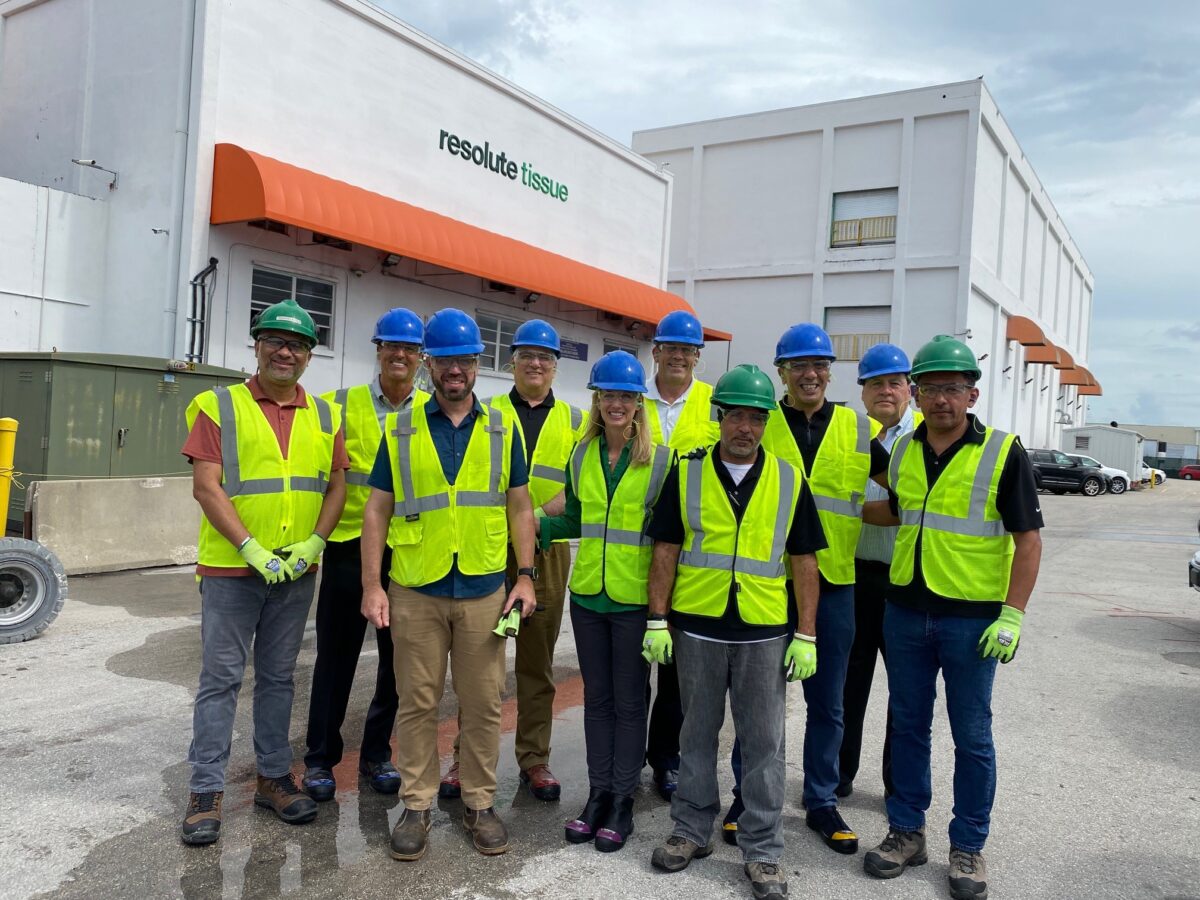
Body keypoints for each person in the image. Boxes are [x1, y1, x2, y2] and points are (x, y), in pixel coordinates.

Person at [860, 335, 1042, 900]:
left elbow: (1029, 541)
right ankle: (907, 832)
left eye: (953, 389)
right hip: (907, 612)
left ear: (972, 394)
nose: (941, 399)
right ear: (917, 393)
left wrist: (1011, 615)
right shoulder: (907, 450)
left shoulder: (1004, 452)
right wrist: (823, 515)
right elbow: (898, 512)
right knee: (908, 726)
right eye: (932, 388)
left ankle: (967, 845)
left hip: (972, 622)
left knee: (972, 736)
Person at [359, 308, 538, 861]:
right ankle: (416, 805)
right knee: (416, 701)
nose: (454, 370)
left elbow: (519, 506)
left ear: (478, 366)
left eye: (464, 360)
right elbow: (376, 511)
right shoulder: (402, 427)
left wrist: (525, 577)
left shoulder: (503, 428)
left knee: (484, 702)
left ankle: (480, 803)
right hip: (415, 586)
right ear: (428, 365)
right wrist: (373, 585)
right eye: (444, 360)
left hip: (484, 587)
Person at [644, 365, 826, 900]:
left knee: (765, 744)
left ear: (767, 421)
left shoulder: (789, 479)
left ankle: (764, 851)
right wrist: (658, 619)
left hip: (764, 631)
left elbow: (804, 561)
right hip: (697, 627)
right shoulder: (689, 471)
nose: (745, 427)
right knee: (695, 734)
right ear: (719, 418)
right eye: (736, 416)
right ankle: (690, 830)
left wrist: (807, 634)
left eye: (755, 417)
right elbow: (666, 550)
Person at [179, 298, 349, 846]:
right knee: (221, 681)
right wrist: (250, 547)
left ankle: (274, 778)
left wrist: (315, 542)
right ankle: (206, 791)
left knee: (278, 678)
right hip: (233, 570)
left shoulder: (326, 415)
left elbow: (336, 485)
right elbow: (207, 484)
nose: (285, 351)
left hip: (296, 572)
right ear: (256, 345)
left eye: (297, 344)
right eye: (275, 340)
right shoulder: (217, 405)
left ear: (308, 356)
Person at [723, 323, 889, 854]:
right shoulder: (761, 420)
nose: (810, 374)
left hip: (836, 584)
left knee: (830, 703)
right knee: (756, 704)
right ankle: (747, 797)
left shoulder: (858, 428)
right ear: (782, 373)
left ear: (830, 372)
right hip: (769, 585)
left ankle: (820, 800)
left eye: (819, 365)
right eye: (798, 366)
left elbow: (912, 491)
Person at [439, 319, 583, 802]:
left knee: (537, 665)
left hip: (546, 551)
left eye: (544, 356)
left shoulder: (577, 422)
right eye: (526, 355)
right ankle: (465, 760)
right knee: (478, 665)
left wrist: (533, 518)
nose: (535, 363)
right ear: (511, 362)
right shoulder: (485, 411)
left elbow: (577, 492)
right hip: (484, 550)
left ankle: (534, 760)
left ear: (556, 366)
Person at [538, 350, 672, 852]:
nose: (616, 404)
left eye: (626, 396)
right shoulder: (581, 455)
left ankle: (622, 799)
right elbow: (575, 519)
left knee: (630, 701)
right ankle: (596, 796)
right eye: (608, 395)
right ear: (597, 401)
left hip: (635, 600)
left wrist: (662, 611)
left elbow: (667, 538)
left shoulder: (661, 460)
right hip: (590, 597)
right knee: (597, 701)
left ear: (639, 404)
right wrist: (533, 526)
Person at [301, 308, 429, 803]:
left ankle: (377, 754)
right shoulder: (338, 405)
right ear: (378, 350)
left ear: (421, 358)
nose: (400, 355)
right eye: (391, 346)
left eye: (410, 349)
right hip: (348, 548)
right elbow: (317, 476)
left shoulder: (431, 413)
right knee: (336, 658)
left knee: (397, 664)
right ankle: (319, 759)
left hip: (410, 551)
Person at [642, 309, 721, 800]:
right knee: (632, 668)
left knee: (676, 672)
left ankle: (665, 760)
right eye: (670, 347)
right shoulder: (630, 397)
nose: (679, 356)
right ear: (655, 351)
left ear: (697, 356)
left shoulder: (717, 404)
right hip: (632, 550)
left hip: (690, 551)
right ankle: (626, 757)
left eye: (688, 349)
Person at [838, 343, 919, 800]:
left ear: (910, 389)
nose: (885, 391)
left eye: (894, 382)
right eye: (875, 384)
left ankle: (898, 787)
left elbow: (908, 507)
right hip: (854, 577)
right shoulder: (850, 435)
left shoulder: (926, 438)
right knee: (848, 685)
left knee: (905, 693)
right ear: (863, 392)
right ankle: (838, 775)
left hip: (904, 579)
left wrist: (853, 514)